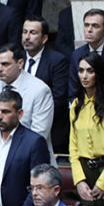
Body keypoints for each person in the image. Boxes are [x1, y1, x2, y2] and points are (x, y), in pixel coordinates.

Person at [0, 44, 55, 157]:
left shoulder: (40, 90)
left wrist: (9, 155)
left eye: (5, 64)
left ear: (20, 63)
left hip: (29, 159)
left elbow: (39, 133)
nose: (0, 69)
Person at [69, 52, 104, 206]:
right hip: (84, 171)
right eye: (81, 71)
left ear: (98, 73)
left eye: (90, 71)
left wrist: (103, 181)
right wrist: (79, 180)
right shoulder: (76, 104)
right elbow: (73, 148)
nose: (84, 76)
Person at [21, 15, 70, 151]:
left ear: (44, 38)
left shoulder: (57, 61)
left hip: (50, 132)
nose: (27, 37)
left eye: (33, 33)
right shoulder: (16, 59)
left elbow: (59, 98)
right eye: (25, 32)